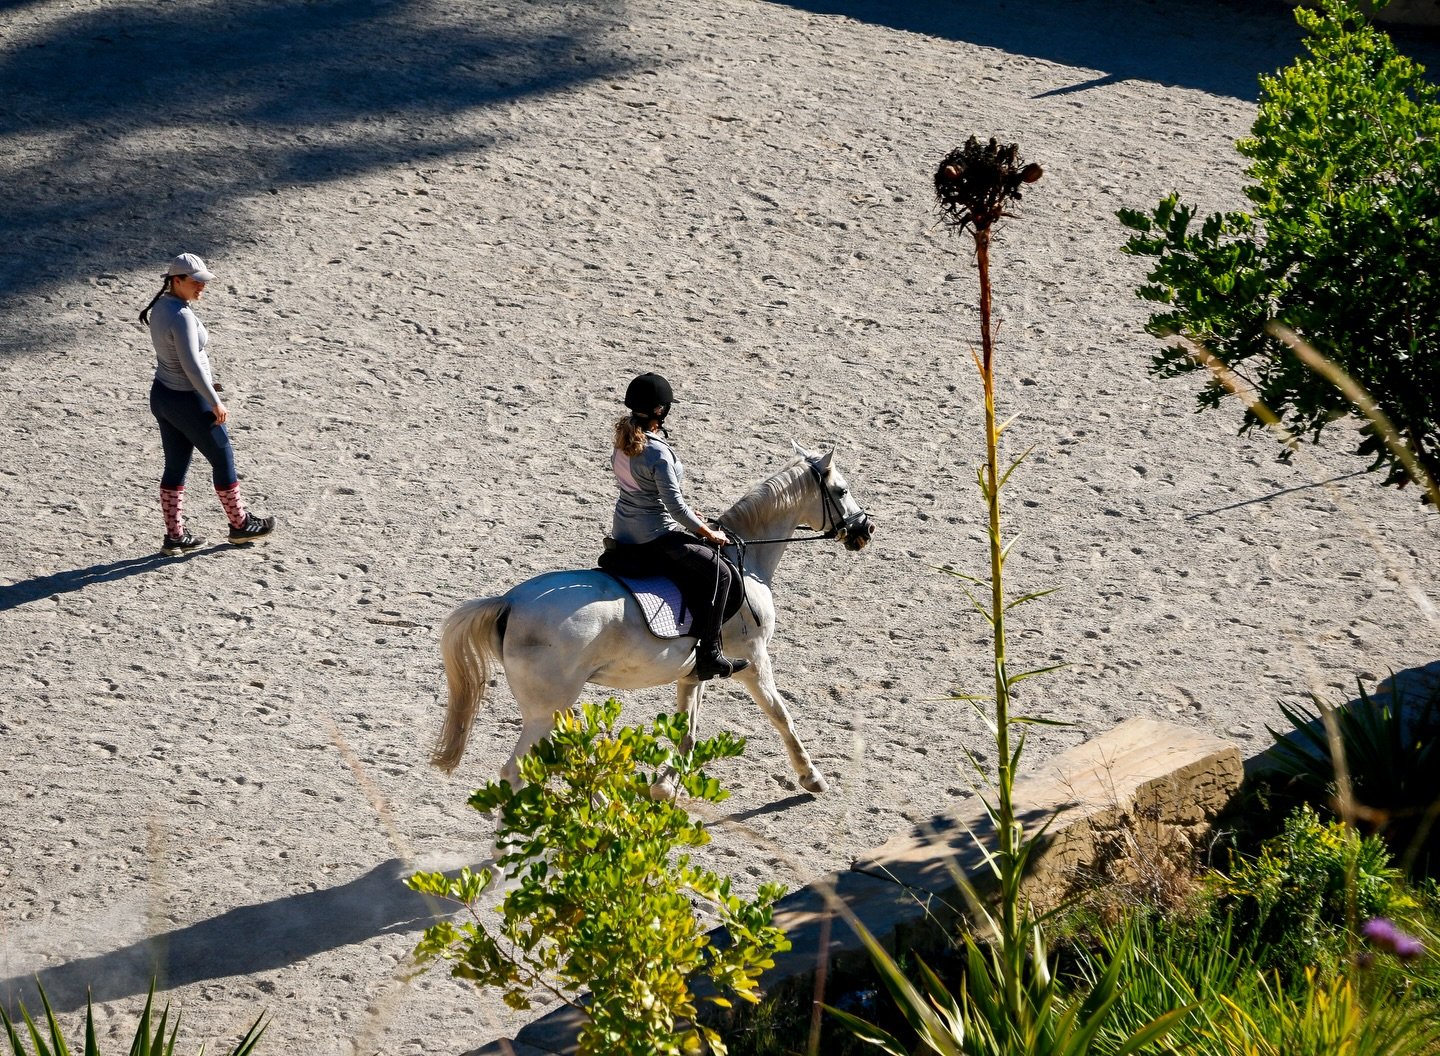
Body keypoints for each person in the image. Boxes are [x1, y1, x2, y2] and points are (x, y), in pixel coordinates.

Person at [608, 372, 749, 680]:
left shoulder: (622, 441)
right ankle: (710, 653)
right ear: (661, 410)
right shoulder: (657, 451)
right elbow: (675, 507)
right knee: (721, 574)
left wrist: (690, 519)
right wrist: (708, 532)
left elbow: (640, 490)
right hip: (654, 536)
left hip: (623, 530)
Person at [139, 253, 276, 554]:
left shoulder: (162, 307)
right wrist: (215, 401)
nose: (202, 287)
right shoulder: (182, 316)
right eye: (196, 282)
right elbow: (191, 365)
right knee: (222, 455)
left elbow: (178, 360)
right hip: (188, 400)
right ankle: (240, 525)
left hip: (163, 396)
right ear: (176, 281)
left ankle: (174, 536)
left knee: (176, 465)